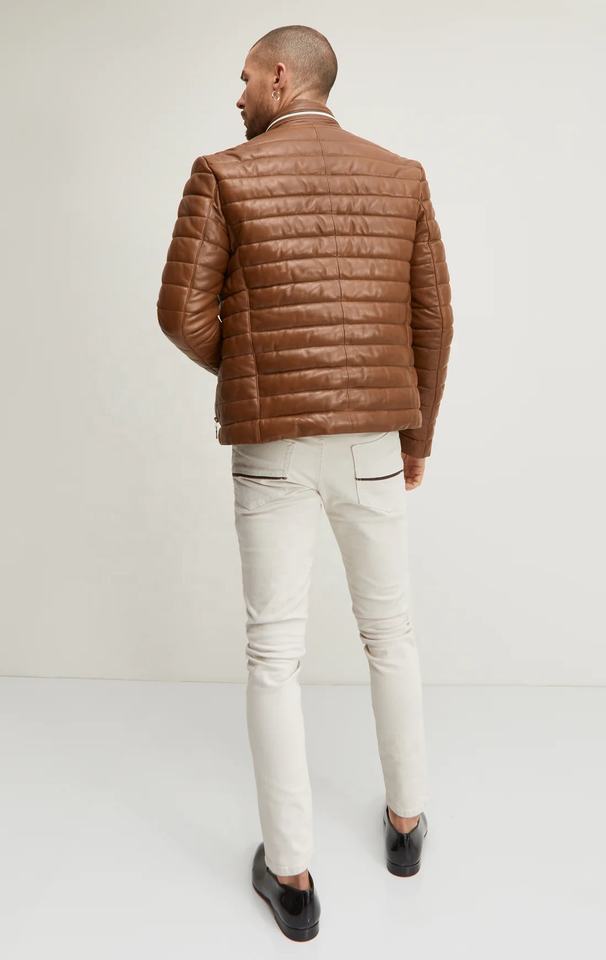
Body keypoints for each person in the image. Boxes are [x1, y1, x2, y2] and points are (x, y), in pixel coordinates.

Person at [157, 23, 454, 941]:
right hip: (372, 440)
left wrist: (262, 374)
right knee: (391, 635)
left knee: (272, 657)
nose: (238, 95)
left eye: (247, 78)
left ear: (282, 78)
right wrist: (417, 435)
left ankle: (291, 879)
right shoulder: (401, 176)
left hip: (273, 447)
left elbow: (179, 313)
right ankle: (406, 826)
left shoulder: (223, 173)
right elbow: (434, 322)